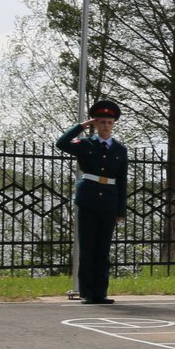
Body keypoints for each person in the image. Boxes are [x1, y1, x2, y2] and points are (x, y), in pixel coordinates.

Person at [57, 98, 128, 305]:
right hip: (88, 199)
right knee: (88, 248)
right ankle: (87, 292)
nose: (106, 126)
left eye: (109, 122)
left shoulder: (120, 149)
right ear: (95, 124)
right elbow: (61, 143)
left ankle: (101, 292)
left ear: (113, 125)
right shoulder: (85, 144)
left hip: (109, 201)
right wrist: (81, 126)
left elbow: (122, 181)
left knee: (103, 250)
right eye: (101, 122)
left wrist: (120, 210)